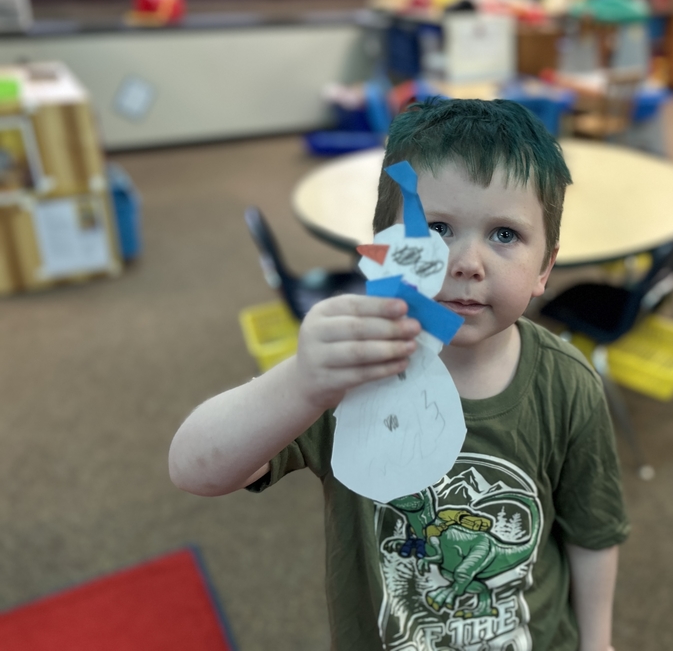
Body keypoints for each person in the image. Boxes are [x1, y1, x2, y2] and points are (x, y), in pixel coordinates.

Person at [169, 98, 629, 651]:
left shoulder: (568, 385)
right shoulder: (348, 378)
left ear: (545, 268)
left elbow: (592, 532)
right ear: (388, 248)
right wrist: (304, 383)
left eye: (504, 234)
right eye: (435, 228)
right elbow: (194, 469)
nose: (467, 262)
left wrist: (598, 643)